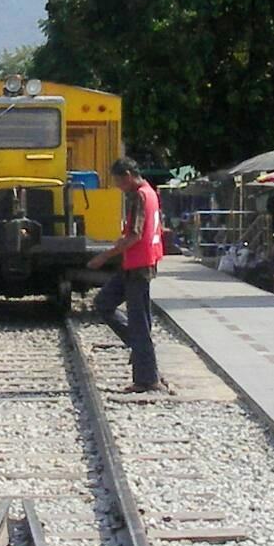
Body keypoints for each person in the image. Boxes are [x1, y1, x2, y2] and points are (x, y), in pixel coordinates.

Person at [87, 157, 163, 391]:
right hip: (136, 264)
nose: (118, 186)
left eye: (119, 181)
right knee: (103, 303)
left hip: (139, 266)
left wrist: (104, 256)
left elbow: (135, 235)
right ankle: (139, 348)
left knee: (140, 323)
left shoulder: (139, 196)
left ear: (128, 175)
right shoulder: (149, 192)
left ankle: (146, 379)